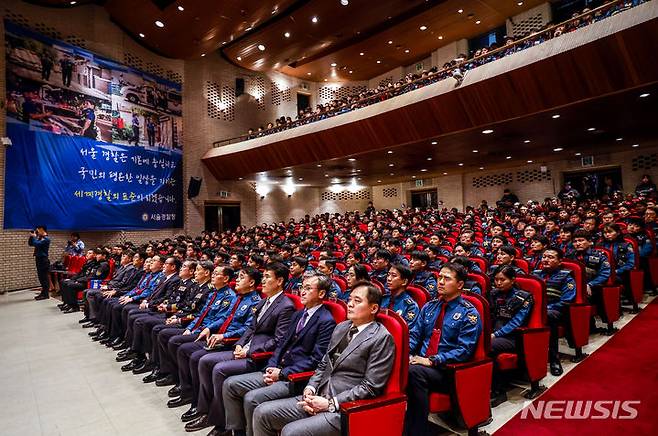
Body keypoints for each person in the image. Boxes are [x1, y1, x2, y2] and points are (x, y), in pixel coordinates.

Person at [252, 282, 395, 436]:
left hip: (344, 408)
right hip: (317, 395)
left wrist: (331, 403)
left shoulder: (381, 338)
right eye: (350, 299)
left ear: (373, 308)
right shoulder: (342, 327)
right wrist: (311, 387)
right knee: (262, 412)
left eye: (357, 301)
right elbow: (324, 363)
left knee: (291, 432)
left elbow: (370, 387)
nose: (350, 304)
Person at [221, 273, 337, 436]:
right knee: (230, 384)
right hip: (277, 369)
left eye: (308, 288)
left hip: (294, 378)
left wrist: (281, 374)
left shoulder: (326, 321)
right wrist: (271, 366)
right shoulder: (299, 314)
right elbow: (282, 343)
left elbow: (316, 360)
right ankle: (237, 431)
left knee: (251, 399)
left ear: (322, 294)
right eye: (301, 288)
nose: (302, 292)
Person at [405, 263, 482, 436]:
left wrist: (432, 360)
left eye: (446, 279)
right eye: (439, 277)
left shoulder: (468, 313)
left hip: (448, 370)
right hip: (422, 364)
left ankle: (416, 431)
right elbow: (415, 336)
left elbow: (464, 350)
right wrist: (405, 354)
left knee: (413, 372)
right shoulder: (429, 307)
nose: (440, 282)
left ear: (460, 285)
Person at [488, 266, 533, 406]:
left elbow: (516, 322)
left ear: (513, 280)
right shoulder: (494, 293)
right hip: (494, 334)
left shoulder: (524, 297)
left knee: (487, 347)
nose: (498, 283)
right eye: (496, 280)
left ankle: (500, 391)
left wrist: (495, 335)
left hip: (513, 338)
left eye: (503, 279)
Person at [532, 248, 576, 376]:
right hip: (536, 310)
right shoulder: (535, 274)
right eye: (544, 257)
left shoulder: (566, 277)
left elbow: (566, 301)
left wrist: (545, 309)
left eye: (551, 257)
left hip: (556, 311)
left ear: (559, 261)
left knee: (548, 316)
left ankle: (554, 359)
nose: (546, 259)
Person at [29, 225, 51, 301]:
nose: (37, 231)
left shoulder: (46, 239)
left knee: (44, 278)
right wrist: (32, 236)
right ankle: (43, 293)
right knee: (41, 278)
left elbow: (37, 244)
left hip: (43, 260)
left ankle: (46, 294)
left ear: (42, 230)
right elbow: (31, 244)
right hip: (38, 259)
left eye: (38, 230)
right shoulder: (40, 238)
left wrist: (34, 237)